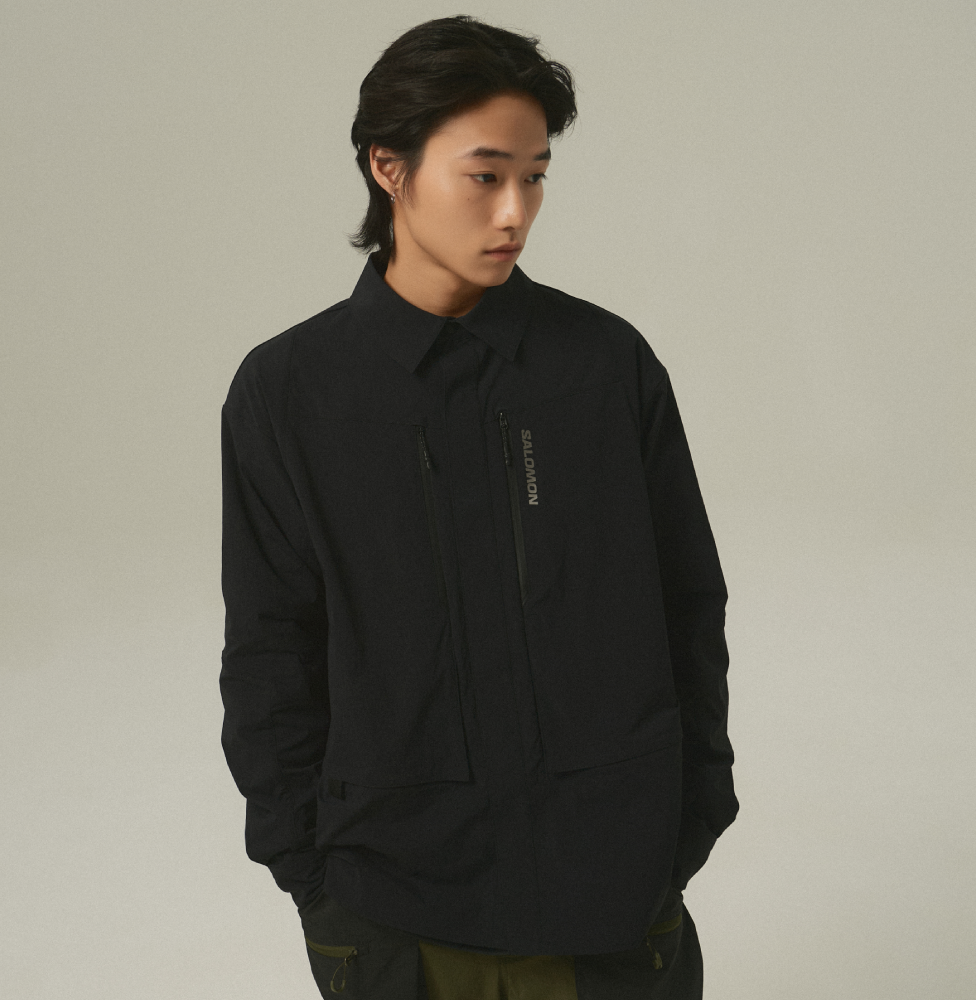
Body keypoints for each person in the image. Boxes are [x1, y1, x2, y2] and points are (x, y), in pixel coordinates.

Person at [219, 14, 738, 999]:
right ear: (389, 167)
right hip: (394, 916)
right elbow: (270, 652)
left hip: (615, 909)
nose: (515, 211)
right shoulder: (290, 393)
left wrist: (689, 817)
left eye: (535, 176)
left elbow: (688, 603)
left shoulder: (604, 367)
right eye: (485, 175)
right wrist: (312, 877)